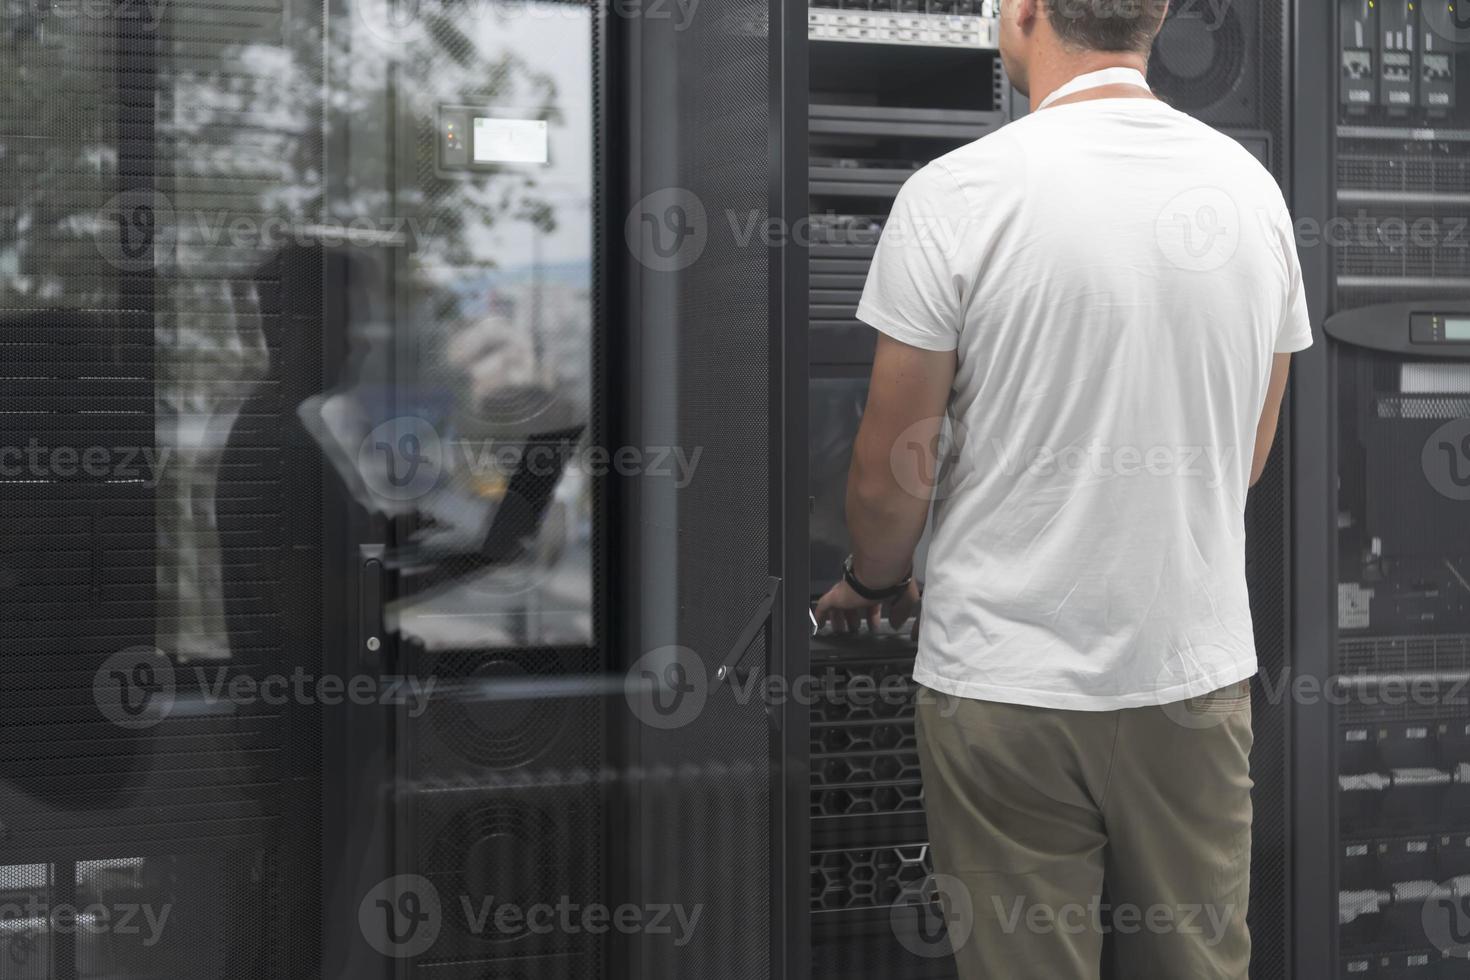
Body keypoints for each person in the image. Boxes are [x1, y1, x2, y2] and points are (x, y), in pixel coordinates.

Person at [812, 0, 1313, 976]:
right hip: (1191, 680)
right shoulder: (1251, 194)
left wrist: (875, 583)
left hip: (1005, 684)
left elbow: (889, 467)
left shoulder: (958, 192)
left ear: (1026, 13)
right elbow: (1245, 454)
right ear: (1155, 19)